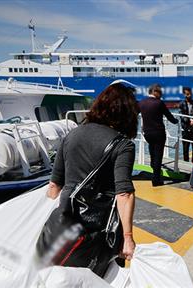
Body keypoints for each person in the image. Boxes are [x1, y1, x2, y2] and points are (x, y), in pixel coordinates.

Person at [45, 83, 137, 276]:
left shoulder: (71, 135)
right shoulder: (122, 145)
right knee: (100, 279)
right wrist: (127, 238)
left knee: (60, 278)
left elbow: (54, 186)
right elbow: (124, 193)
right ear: (126, 113)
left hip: (63, 228)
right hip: (99, 232)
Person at [138, 84, 178, 186]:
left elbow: (134, 113)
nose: (161, 95)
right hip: (158, 133)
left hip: (147, 133)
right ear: (155, 92)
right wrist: (176, 121)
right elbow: (169, 117)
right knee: (158, 155)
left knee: (152, 150)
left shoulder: (141, 103)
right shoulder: (159, 103)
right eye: (160, 93)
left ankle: (152, 166)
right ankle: (156, 180)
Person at [178, 87, 193, 162]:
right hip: (185, 129)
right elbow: (181, 115)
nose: (189, 95)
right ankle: (185, 162)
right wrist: (189, 121)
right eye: (187, 94)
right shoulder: (181, 104)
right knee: (185, 148)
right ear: (184, 94)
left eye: (190, 94)